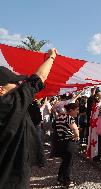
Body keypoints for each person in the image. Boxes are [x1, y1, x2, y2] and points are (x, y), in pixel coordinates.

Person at [0, 48, 57, 189]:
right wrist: (51, 57)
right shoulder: (9, 104)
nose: (18, 85)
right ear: (1, 89)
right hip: (12, 178)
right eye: (14, 82)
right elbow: (38, 79)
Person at [54, 103, 80, 187]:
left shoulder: (59, 117)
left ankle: (60, 179)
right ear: (71, 110)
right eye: (76, 110)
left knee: (64, 162)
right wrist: (77, 136)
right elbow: (75, 129)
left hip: (61, 142)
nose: (77, 112)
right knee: (68, 163)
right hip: (69, 142)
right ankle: (67, 182)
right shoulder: (69, 118)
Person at [86, 87, 101, 161]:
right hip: (98, 126)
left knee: (94, 141)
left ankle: (94, 156)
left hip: (93, 125)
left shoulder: (94, 105)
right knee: (99, 142)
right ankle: (97, 158)